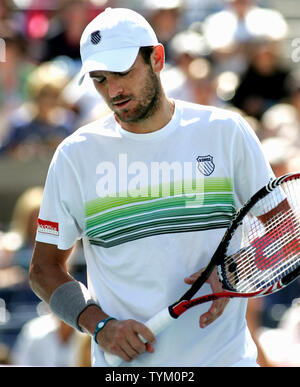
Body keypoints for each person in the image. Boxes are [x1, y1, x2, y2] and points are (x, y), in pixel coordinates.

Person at [29, 7, 275, 367]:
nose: (113, 90)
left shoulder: (226, 131)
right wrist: (99, 326)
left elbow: (287, 233)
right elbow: (43, 269)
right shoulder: (74, 157)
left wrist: (234, 270)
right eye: (99, 79)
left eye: (123, 72)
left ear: (156, 58)